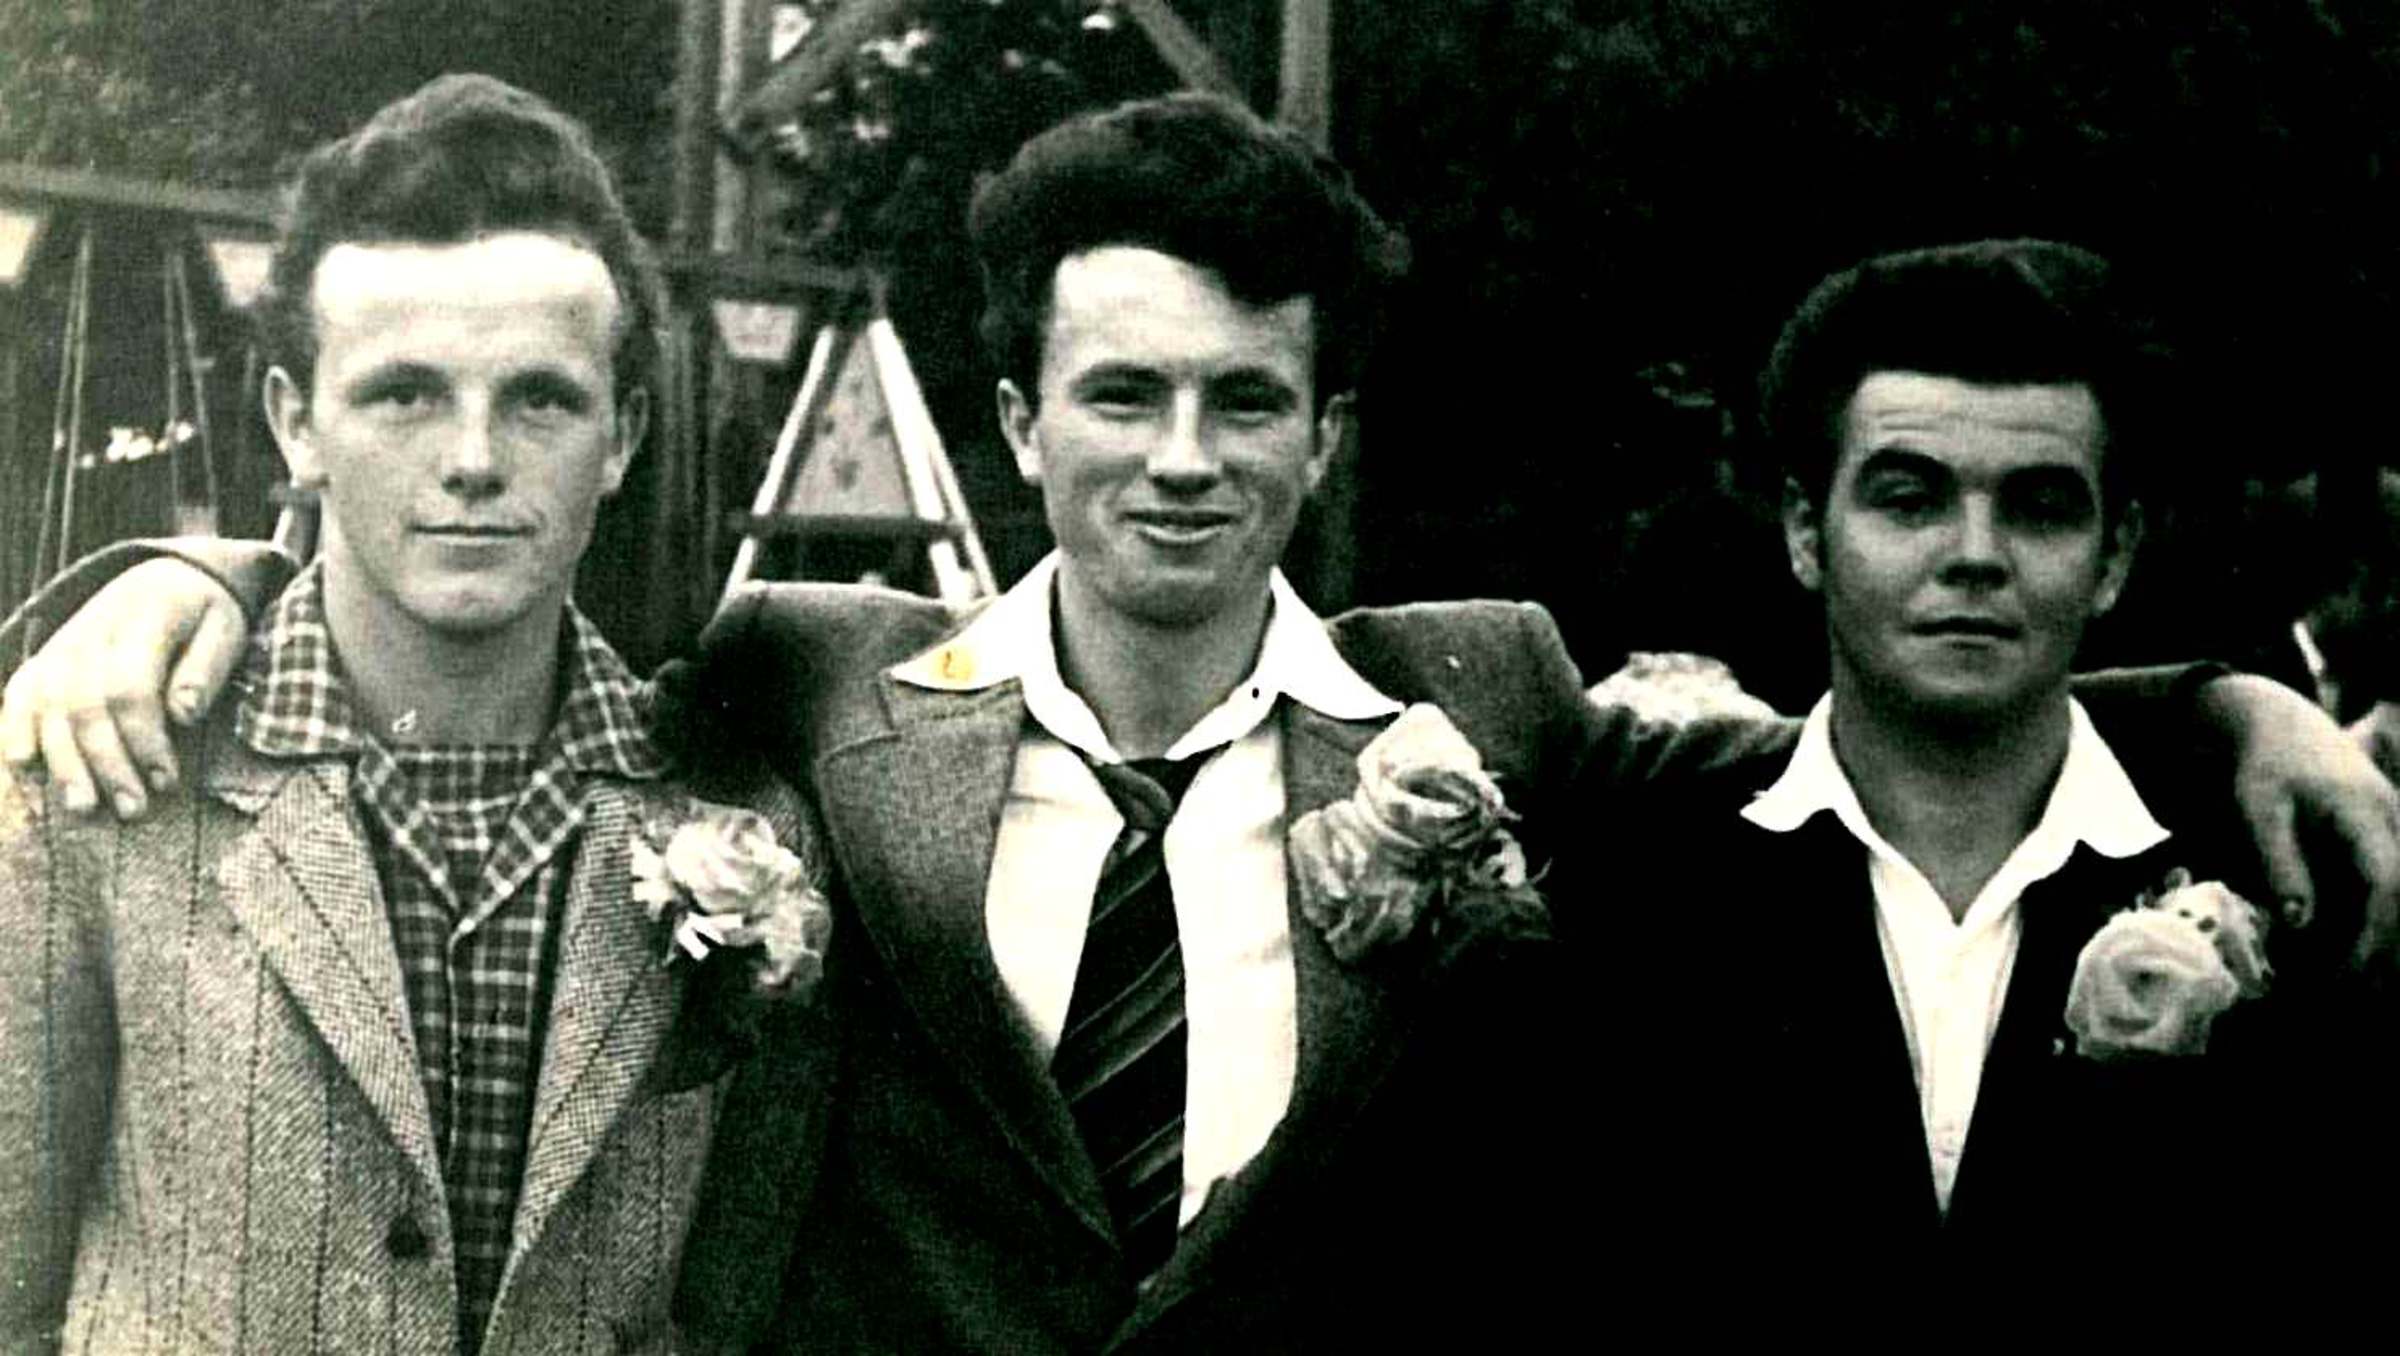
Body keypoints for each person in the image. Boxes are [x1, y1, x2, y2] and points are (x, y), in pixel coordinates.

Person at [6, 97, 2398, 1348]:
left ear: (1318, 436)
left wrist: (2207, 709)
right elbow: (464, 587)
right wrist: (179, 584)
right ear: (1016, 416)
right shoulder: (813, 687)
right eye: (1121, 391)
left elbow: (1883, 718)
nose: (1179, 455)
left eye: (1244, 399)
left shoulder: (1489, 699)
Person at [0, 74, 827, 1356]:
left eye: (541, 399)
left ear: (622, 436)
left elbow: (737, 1310)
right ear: (297, 424)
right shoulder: (103, 778)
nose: (474, 459)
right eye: (404, 395)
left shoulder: (745, 825)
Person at [1602, 240, 2391, 1298]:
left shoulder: (2290, 880)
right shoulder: (1637, 881)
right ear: (1805, 532)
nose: (1976, 552)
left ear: (2115, 555)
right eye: (1909, 498)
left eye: (2041, 507)